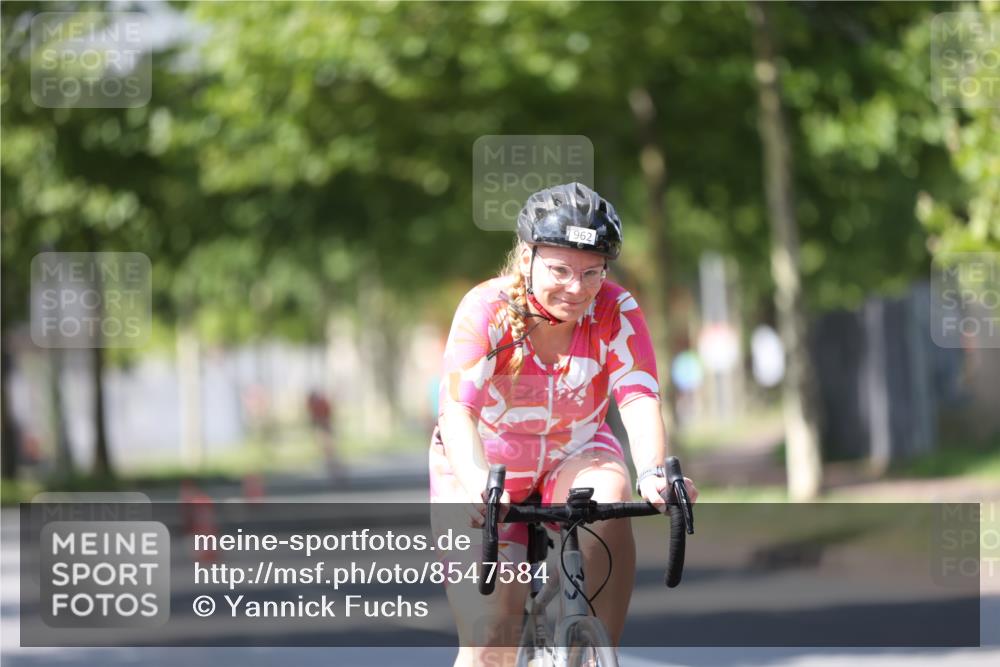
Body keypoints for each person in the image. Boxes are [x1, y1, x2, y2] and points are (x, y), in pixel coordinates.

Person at [428, 182, 699, 666]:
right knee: (491, 643)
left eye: (592, 272)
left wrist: (653, 472)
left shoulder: (616, 309)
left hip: (575, 452)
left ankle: (595, 652)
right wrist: (476, 483)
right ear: (526, 258)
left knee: (610, 498)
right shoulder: (485, 309)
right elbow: (458, 412)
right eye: (560, 270)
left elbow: (638, 398)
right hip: (485, 462)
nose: (576, 288)